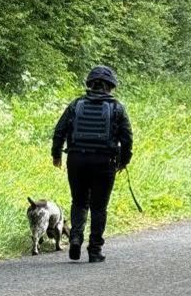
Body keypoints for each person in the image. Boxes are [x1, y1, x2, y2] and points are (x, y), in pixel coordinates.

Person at [52, 66, 133, 263]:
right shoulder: (117, 108)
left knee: (79, 201)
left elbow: (59, 131)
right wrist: (123, 161)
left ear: (90, 84)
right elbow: (127, 138)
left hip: (77, 160)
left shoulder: (76, 104)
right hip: (104, 162)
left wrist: (56, 155)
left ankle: (76, 238)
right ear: (110, 87)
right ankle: (95, 249)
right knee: (99, 207)